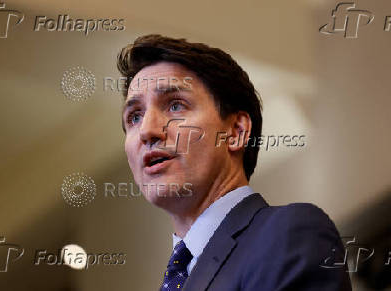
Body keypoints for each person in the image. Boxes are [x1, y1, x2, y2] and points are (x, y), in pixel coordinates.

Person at [117, 34, 352, 291]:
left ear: (236, 131)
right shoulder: (178, 279)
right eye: (135, 116)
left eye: (175, 105)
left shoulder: (289, 234)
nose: (147, 131)